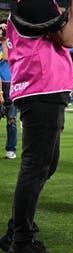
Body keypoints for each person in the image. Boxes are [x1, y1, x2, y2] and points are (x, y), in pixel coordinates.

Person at [0, 0, 73, 253]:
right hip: (40, 88)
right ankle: (22, 242)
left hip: (45, 89)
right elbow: (66, 40)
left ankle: (15, 232)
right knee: (35, 167)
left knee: (45, 165)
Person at [0, 27, 18, 160]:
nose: (3, 30)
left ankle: (11, 149)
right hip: (1, 84)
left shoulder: (12, 43)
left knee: (11, 120)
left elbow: (7, 57)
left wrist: (5, 39)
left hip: (10, 85)